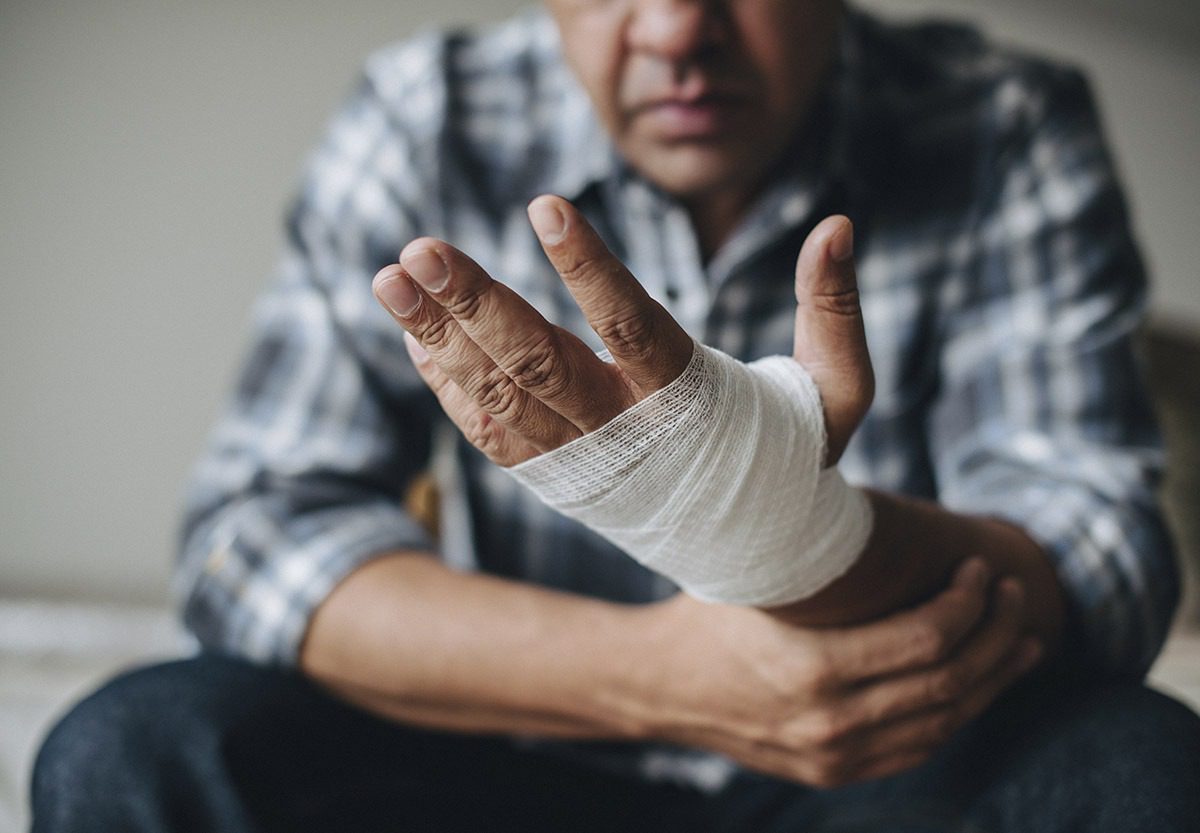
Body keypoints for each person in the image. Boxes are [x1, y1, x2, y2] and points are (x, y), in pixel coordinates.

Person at [31, 1, 1200, 830]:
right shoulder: (422, 114)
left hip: (890, 764)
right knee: (137, 745)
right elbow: (253, 535)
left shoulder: (1005, 122)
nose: (676, 29)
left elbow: (1098, 558)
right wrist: (663, 670)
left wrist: (788, 541)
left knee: (1139, 764)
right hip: (510, 759)